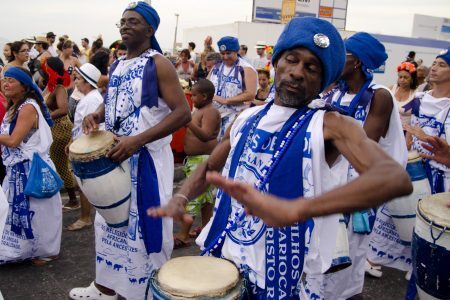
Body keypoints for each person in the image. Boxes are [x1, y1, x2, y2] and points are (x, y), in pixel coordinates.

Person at [148, 17, 412, 298]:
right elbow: (211, 167)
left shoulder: (330, 124)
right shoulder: (247, 118)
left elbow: (393, 178)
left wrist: (297, 210)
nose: (298, 72)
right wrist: (181, 197)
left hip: (279, 275)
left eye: (312, 67)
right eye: (292, 60)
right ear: (276, 63)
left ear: (324, 80)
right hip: (224, 255)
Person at [69, 2, 191, 299]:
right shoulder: (118, 63)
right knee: (110, 227)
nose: (125, 26)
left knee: (143, 228)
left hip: (144, 160)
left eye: (133, 22)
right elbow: (114, 99)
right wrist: (96, 114)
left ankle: (145, 291)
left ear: (149, 30)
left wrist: (137, 140)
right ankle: (106, 287)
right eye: (122, 21)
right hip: (116, 158)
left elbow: (183, 113)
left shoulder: (158, 62)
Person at [305, 32, 408, 299]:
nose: (336, 60)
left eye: (343, 55)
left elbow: (363, 143)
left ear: (358, 62)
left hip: (360, 192)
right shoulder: (336, 93)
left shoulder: (380, 96)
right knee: (326, 257)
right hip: (332, 186)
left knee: (348, 259)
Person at [0, 67, 62, 265]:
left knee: (39, 211)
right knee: (21, 212)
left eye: (11, 80)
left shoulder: (27, 107)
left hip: (31, 168)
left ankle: (47, 251)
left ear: (24, 86)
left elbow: (13, 141)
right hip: (18, 168)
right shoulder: (15, 106)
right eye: (4, 80)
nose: (6, 83)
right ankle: (24, 249)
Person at [174, 79, 220, 248]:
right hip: (196, 159)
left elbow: (206, 135)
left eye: (194, 95)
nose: (191, 98)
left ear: (204, 96)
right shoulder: (200, 111)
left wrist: (188, 122)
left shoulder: (211, 112)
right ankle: (207, 228)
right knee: (205, 198)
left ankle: (183, 235)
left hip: (203, 159)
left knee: (193, 196)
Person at [405, 47, 450, 194]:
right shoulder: (420, 98)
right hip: (415, 172)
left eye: (442, 65)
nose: (434, 68)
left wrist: (426, 138)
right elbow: (411, 132)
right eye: (435, 63)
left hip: (442, 179)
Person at [66, 63, 104, 231]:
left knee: (85, 185)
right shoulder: (91, 97)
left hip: (87, 147)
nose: (76, 82)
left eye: (79, 79)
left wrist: (76, 146)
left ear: (88, 83)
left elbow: (89, 128)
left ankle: (85, 218)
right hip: (83, 144)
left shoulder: (91, 99)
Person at [42, 57, 79, 210]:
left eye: (45, 68)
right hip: (53, 130)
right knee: (59, 165)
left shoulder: (58, 88)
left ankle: (73, 200)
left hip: (60, 130)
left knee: (61, 165)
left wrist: (44, 117)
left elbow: (64, 109)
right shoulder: (50, 86)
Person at [208, 36, 257, 139]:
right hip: (214, 115)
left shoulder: (246, 68)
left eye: (228, 53)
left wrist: (226, 101)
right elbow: (206, 85)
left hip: (234, 117)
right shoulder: (216, 67)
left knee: (226, 148)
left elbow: (251, 94)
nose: (225, 57)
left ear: (236, 51)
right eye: (222, 54)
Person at [392, 61, 418, 129]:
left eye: (406, 77)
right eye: (400, 77)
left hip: (406, 131)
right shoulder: (392, 88)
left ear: (412, 79)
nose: (402, 80)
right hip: (390, 129)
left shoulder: (416, 94)